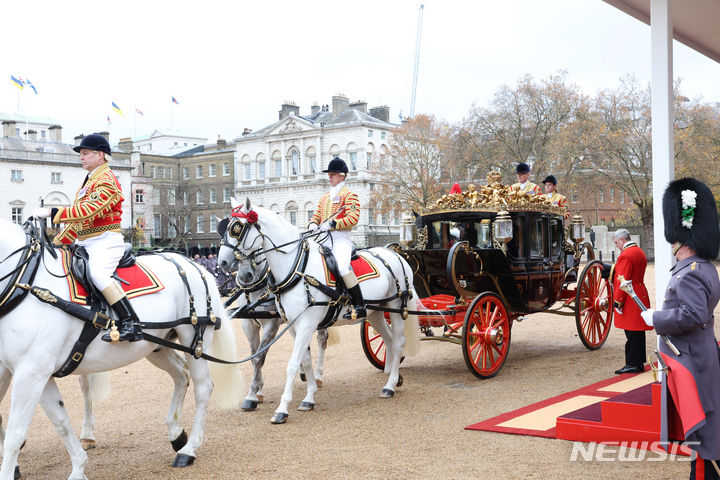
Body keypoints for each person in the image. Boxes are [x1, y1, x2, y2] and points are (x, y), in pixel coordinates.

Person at [641, 178, 720, 479]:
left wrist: (656, 318)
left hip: (691, 358)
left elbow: (693, 313)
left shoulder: (689, 274)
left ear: (682, 240)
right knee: (706, 425)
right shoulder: (702, 268)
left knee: (701, 424)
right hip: (698, 352)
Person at [31, 134, 142, 343]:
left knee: (99, 275)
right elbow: (79, 223)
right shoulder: (89, 181)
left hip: (105, 242)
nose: (81, 157)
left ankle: (131, 323)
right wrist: (57, 243)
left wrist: (53, 212)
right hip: (86, 242)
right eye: (81, 154)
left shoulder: (107, 180)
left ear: (100, 155)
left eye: (85, 153)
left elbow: (88, 211)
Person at [308, 157, 365, 319]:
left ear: (342, 176)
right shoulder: (325, 197)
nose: (330, 177)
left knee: (342, 267)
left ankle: (359, 305)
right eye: (329, 174)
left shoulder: (350, 196)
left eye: (333, 174)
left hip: (340, 239)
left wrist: (333, 224)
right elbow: (316, 215)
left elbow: (353, 218)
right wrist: (312, 224)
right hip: (323, 238)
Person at [611, 228, 651, 374]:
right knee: (638, 332)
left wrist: (618, 301)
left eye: (616, 243)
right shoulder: (638, 251)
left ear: (622, 240)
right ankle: (638, 362)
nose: (617, 245)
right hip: (640, 292)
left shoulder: (626, 255)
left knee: (632, 333)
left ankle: (633, 363)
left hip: (630, 296)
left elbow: (623, 280)